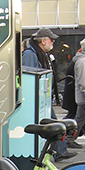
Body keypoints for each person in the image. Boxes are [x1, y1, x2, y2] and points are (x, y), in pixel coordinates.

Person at [22, 28, 77, 161]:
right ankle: (59, 151)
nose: (53, 42)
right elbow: (28, 76)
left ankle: (59, 151)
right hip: (37, 98)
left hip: (42, 97)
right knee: (53, 124)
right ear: (43, 41)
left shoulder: (39, 53)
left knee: (53, 123)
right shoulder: (31, 54)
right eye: (51, 40)